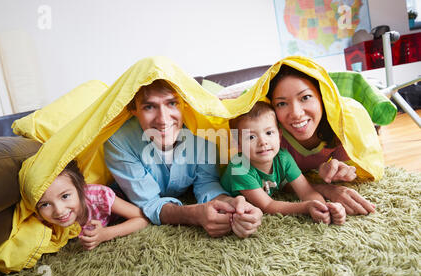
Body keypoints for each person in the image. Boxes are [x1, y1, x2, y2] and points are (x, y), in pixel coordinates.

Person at [104, 79, 263, 238]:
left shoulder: (202, 131)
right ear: (134, 110)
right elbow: (149, 204)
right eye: (149, 107)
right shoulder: (118, 141)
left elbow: (207, 183)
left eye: (172, 103)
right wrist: (194, 214)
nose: (163, 119)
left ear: (184, 103)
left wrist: (233, 205)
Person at [266, 63, 377, 216]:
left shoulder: (341, 126)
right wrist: (327, 189)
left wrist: (345, 169)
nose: (296, 113)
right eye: (282, 103)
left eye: (305, 97)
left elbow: (361, 164)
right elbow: (274, 182)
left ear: (322, 97)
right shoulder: (268, 136)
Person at [221, 101, 346, 225]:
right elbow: (268, 205)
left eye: (269, 133)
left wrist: (324, 208)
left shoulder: (283, 157)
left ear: (279, 136)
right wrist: (306, 207)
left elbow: (306, 191)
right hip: (231, 202)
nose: (263, 142)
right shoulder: (239, 167)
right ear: (237, 145)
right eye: (251, 137)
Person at [35, 160, 149, 250]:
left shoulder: (98, 196)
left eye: (65, 196)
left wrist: (106, 234)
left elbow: (142, 218)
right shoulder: (41, 220)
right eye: (45, 204)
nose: (59, 210)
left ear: (80, 188)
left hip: (122, 191)